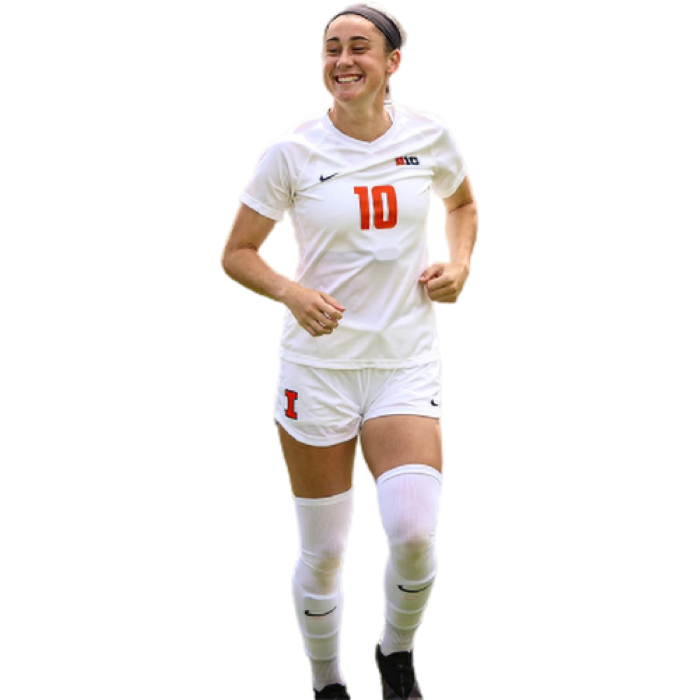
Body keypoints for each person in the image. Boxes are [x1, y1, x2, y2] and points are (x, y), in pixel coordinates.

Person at [219, 2, 478, 698]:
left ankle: (396, 650)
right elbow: (238, 253)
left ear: (394, 62)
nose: (342, 60)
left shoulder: (430, 133)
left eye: (359, 47)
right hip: (319, 370)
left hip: (403, 363)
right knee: (326, 548)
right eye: (331, 47)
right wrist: (292, 293)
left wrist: (458, 264)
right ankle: (326, 679)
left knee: (414, 534)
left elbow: (461, 204)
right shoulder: (291, 149)